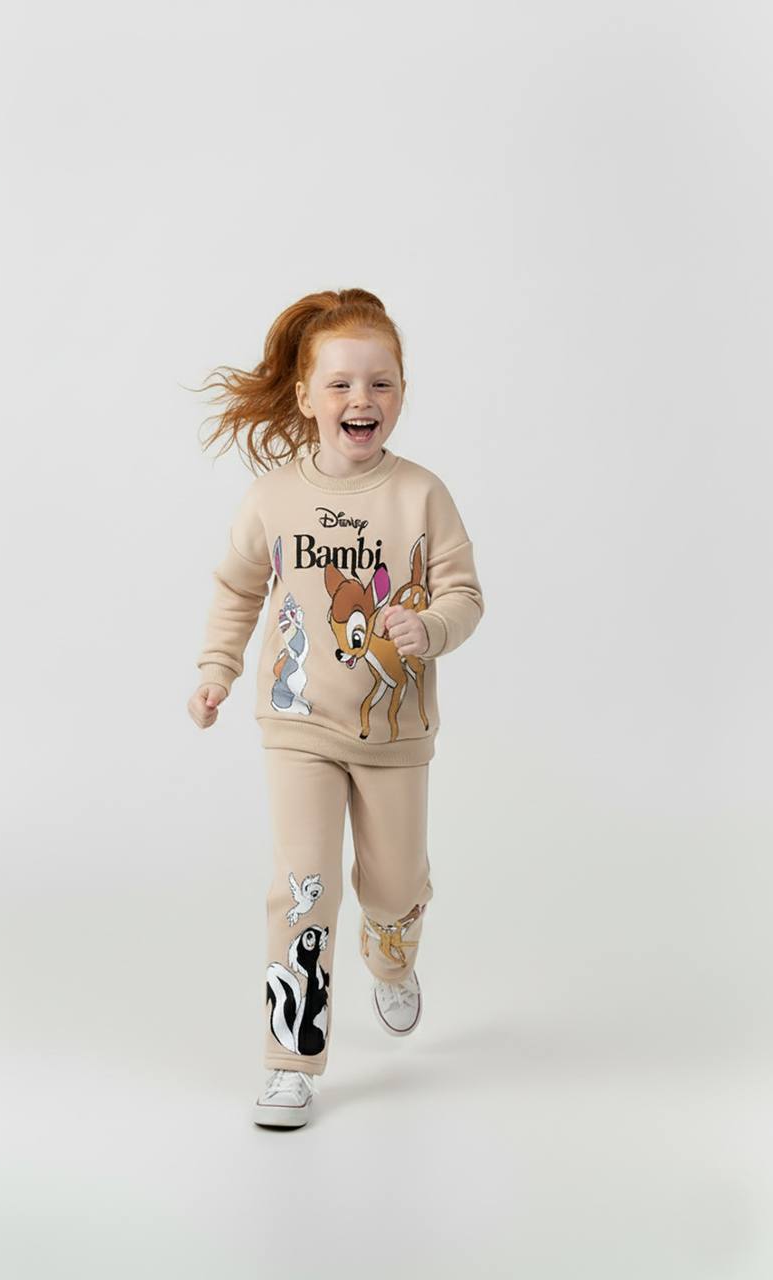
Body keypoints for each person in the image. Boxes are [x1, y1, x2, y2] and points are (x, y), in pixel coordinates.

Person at [187, 288, 484, 1128]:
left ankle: (391, 948)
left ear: (401, 392)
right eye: (343, 384)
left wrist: (430, 627)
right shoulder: (272, 498)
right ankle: (290, 1059)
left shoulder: (422, 494)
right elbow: (238, 590)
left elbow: (465, 595)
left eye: (382, 383)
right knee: (301, 888)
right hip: (299, 726)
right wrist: (216, 669)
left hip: (395, 732)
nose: (363, 399)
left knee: (392, 884)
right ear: (307, 396)